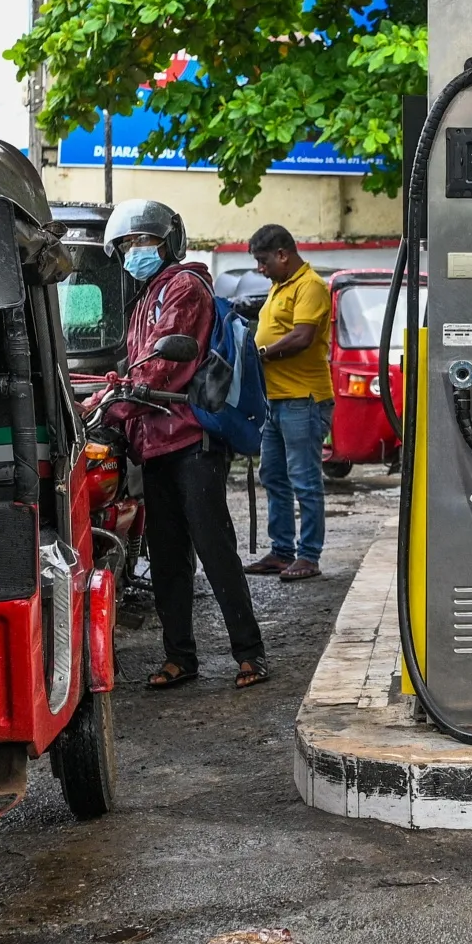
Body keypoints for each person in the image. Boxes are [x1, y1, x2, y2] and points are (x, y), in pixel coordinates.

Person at [103, 198, 270, 691]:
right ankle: (180, 657)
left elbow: (168, 363)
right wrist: (116, 386)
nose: (136, 251)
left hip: (189, 439)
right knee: (168, 556)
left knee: (214, 548)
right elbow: (138, 366)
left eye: (144, 240)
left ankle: (250, 653)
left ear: (168, 241)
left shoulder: (184, 286)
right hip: (153, 444)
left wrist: (119, 403)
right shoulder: (145, 296)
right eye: (129, 243)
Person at [241, 224, 335, 582]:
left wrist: (260, 354)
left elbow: (301, 337)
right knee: (274, 477)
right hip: (275, 401)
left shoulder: (310, 286)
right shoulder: (278, 287)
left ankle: (308, 556)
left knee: (304, 480)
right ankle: (282, 552)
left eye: (263, 261)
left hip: (304, 400)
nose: (260, 268)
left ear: (283, 254)